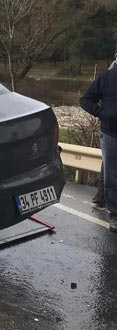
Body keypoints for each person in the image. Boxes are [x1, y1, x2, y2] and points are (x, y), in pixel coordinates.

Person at [80, 47, 117, 232]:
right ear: (116, 57)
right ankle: (114, 216)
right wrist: (104, 114)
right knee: (112, 177)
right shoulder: (105, 78)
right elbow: (85, 101)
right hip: (111, 134)